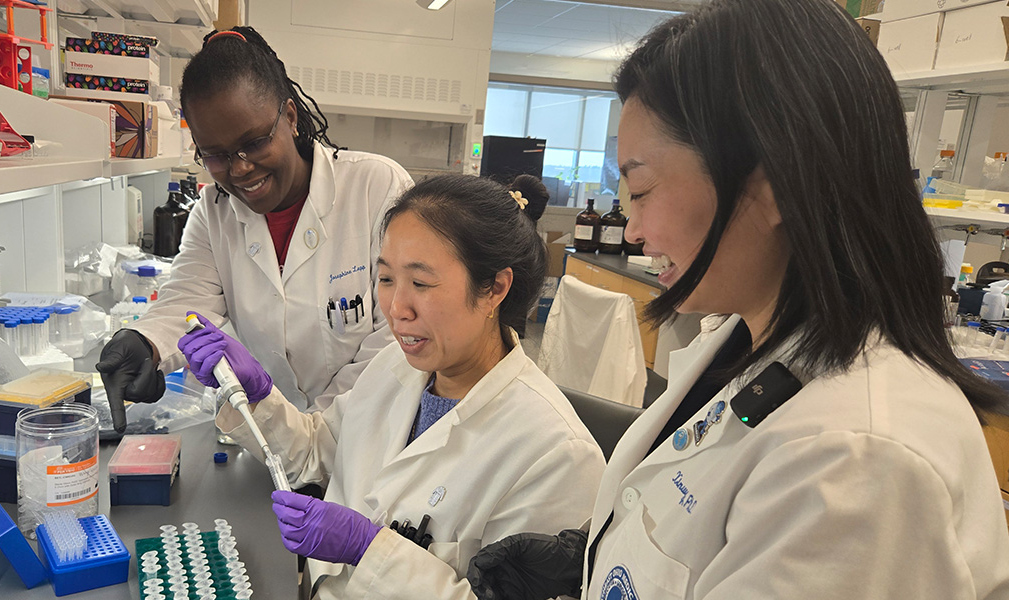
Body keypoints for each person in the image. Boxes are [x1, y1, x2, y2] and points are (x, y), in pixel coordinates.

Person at [466, 0, 1009, 598]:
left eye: (643, 190)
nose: (636, 231)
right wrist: (594, 551)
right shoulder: (750, 339)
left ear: (775, 183)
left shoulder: (855, 462)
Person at [179, 174, 605, 598]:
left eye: (420, 283)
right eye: (385, 279)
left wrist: (369, 551)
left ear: (494, 288)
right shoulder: (396, 366)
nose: (397, 308)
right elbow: (315, 454)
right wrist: (256, 397)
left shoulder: (557, 455)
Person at [95, 26, 413, 431]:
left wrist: (316, 432)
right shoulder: (214, 213)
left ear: (291, 117)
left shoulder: (377, 187)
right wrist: (144, 341)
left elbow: (398, 335)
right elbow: (187, 303)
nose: (241, 167)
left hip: (371, 432)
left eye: (256, 141)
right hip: (275, 443)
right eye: (216, 155)